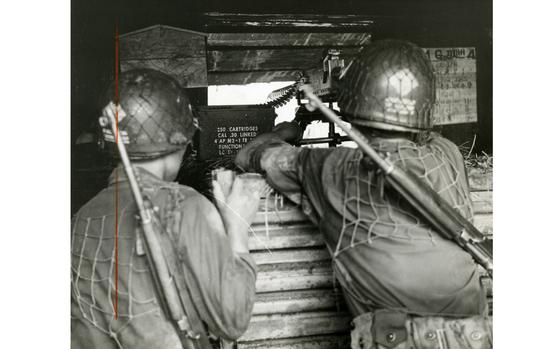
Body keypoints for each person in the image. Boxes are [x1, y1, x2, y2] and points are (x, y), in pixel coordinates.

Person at [236, 40, 491, 348]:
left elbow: (247, 156)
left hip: (399, 339)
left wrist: (286, 133)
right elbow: (419, 140)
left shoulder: (333, 168)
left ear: (352, 107)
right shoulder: (448, 153)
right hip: (474, 337)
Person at [71, 69, 261, 349]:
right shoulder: (184, 206)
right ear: (180, 141)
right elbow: (231, 321)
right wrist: (237, 228)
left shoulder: (80, 218)